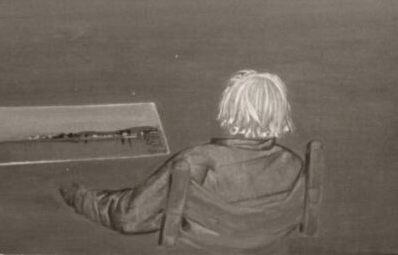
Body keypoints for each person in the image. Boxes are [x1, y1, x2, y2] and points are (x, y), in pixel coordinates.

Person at [59, 70, 308, 253]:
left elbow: (129, 218)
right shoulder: (295, 165)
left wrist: (79, 196)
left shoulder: (196, 161)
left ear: (229, 110)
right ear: (281, 112)